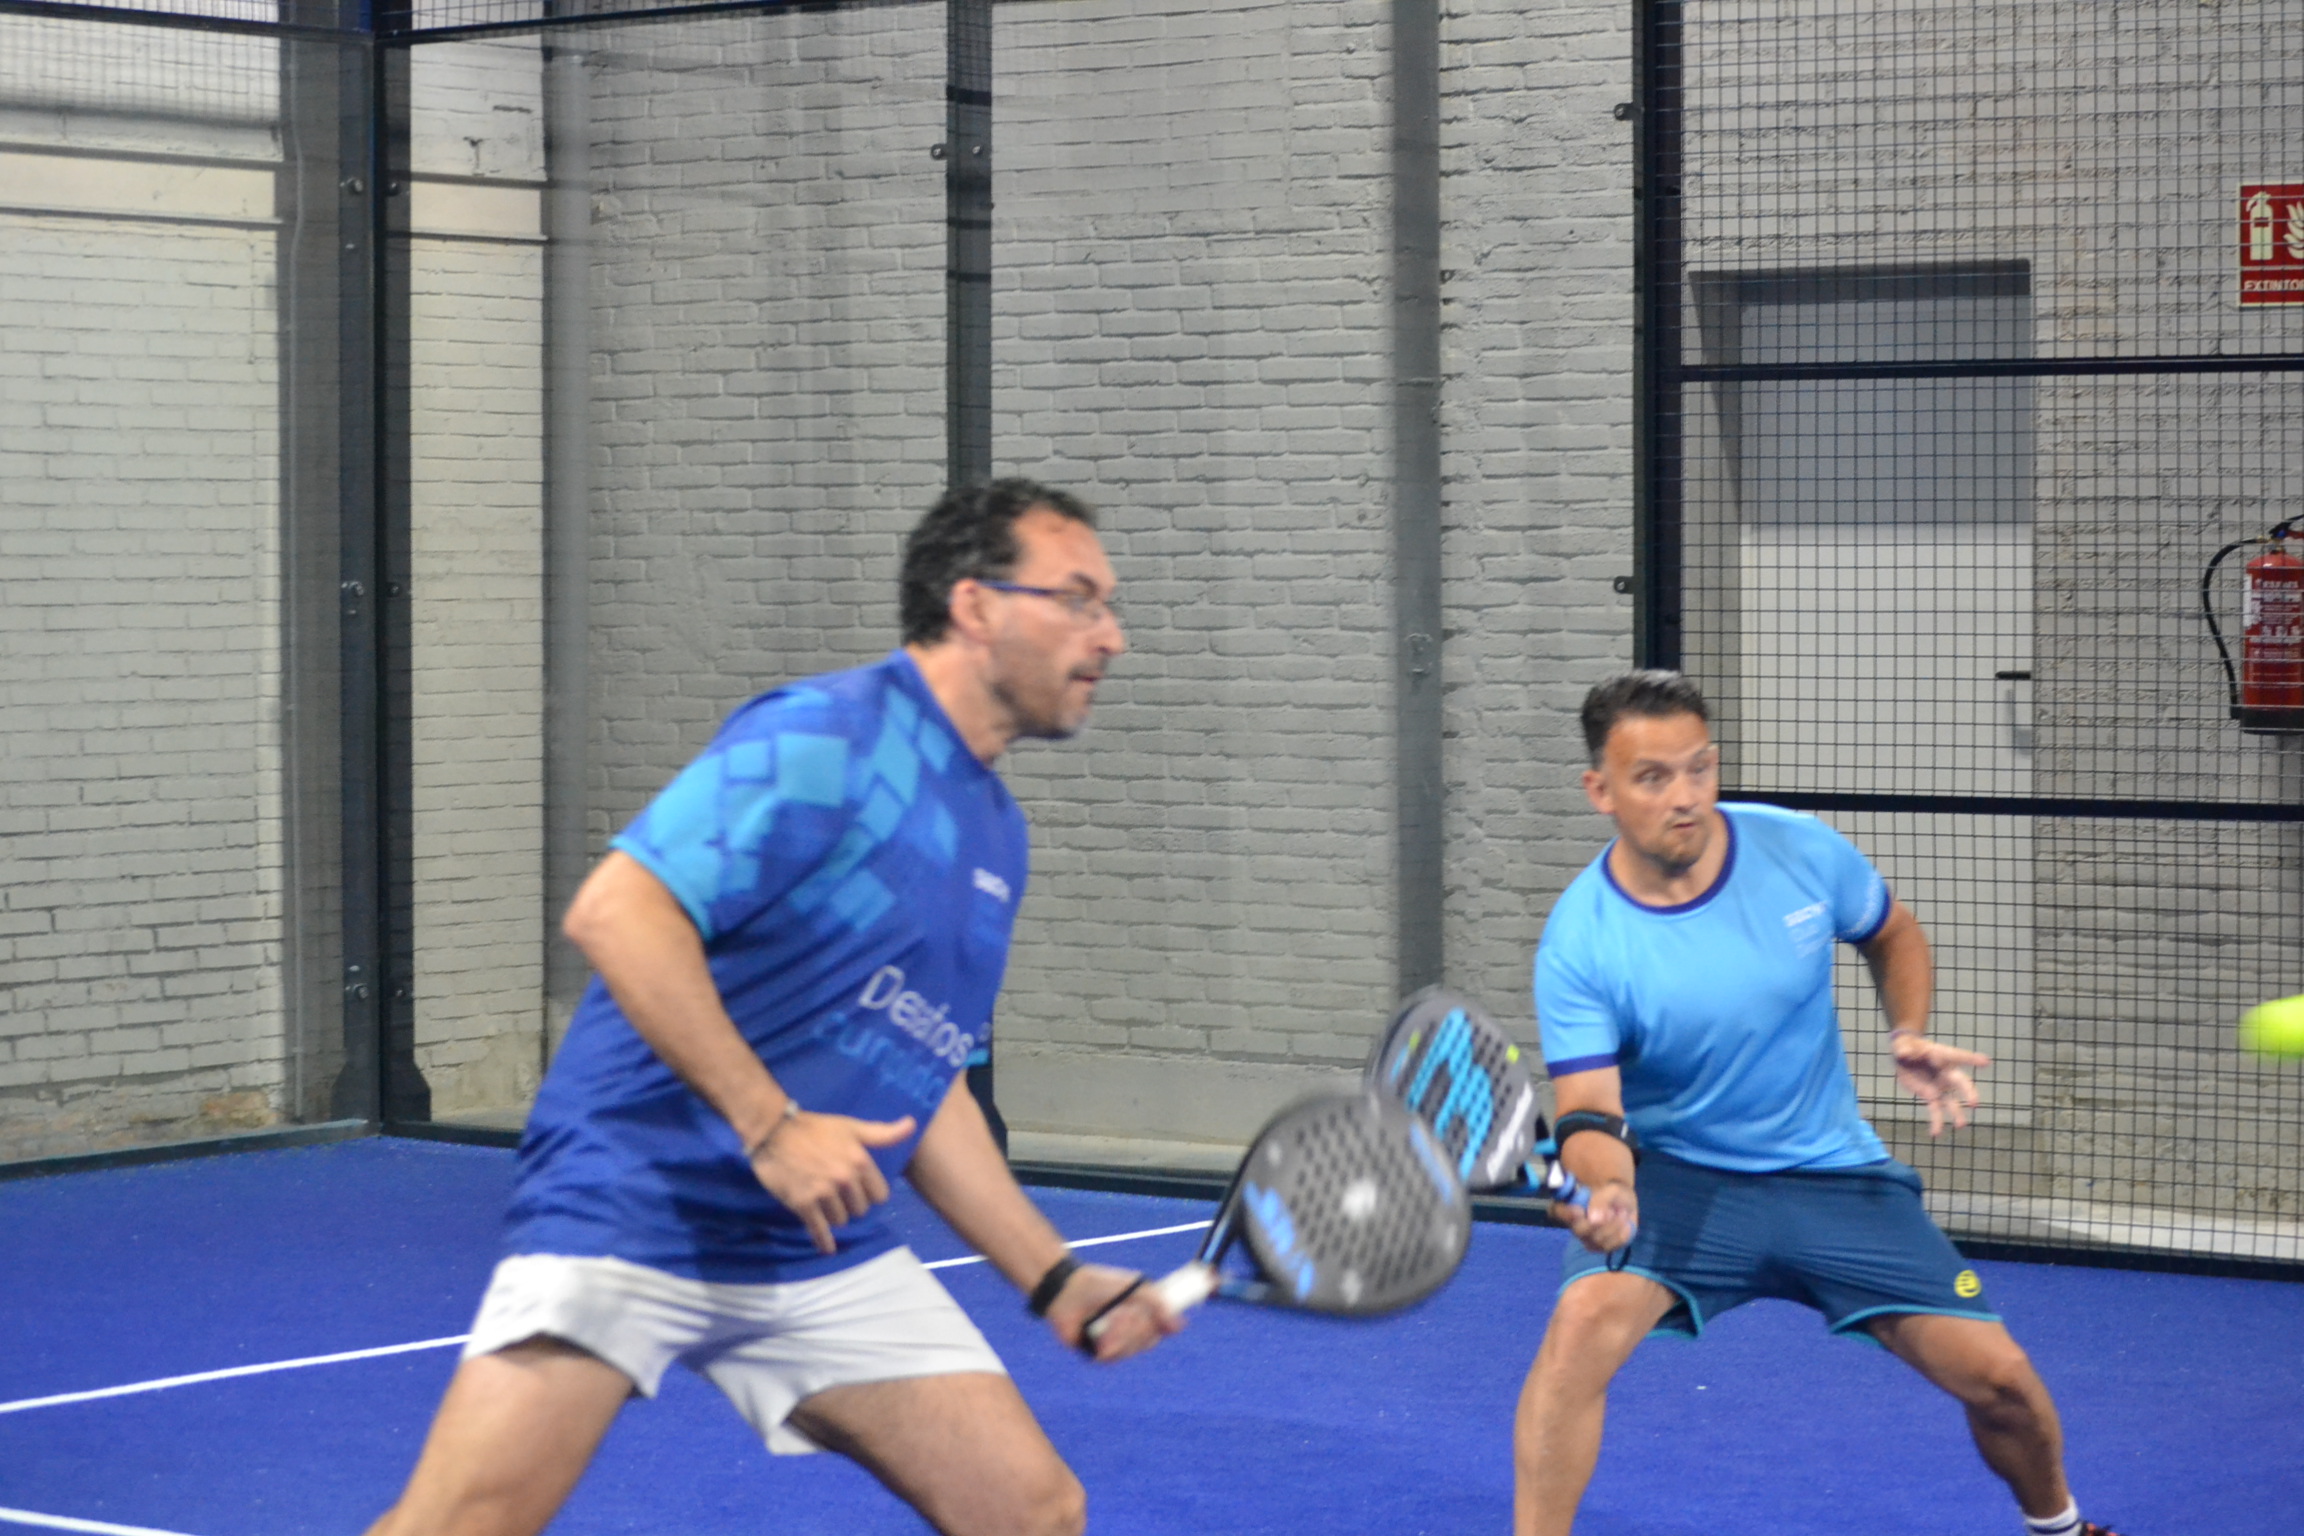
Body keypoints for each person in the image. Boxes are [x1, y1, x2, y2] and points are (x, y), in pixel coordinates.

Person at [363, 480, 1179, 1536]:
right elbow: (617, 912)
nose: (1110, 636)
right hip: (640, 1195)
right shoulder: (826, 735)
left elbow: (918, 1075)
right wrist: (772, 1123)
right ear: (975, 605)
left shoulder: (995, 832)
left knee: (1030, 1512)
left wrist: (1055, 1277)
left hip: (811, 1244)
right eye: (1077, 599)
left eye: (1108, 605)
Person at [1516, 670, 2124, 1536]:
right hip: (1677, 1180)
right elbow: (1588, 1111)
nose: (1685, 797)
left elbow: (1892, 932)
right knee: (1577, 1335)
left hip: (1829, 1171)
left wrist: (1908, 1031)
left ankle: (2060, 1528)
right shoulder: (1581, 941)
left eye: (1699, 768)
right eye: (1652, 778)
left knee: (2001, 1380)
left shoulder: (1796, 849)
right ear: (1600, 790)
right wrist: (1607, 1187)